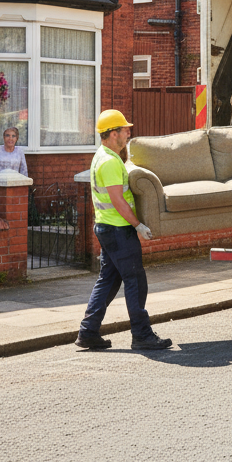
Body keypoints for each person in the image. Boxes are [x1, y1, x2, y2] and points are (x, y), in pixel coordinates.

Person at [76, 110, 172, 351]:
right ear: (112, 134)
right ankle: (141, 334)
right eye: (124, 130)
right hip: (118, 230)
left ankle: (88, 331)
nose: (129, 133)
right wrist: (137, 225)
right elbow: (118, 200)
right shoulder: (108, 161)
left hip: (108, 228)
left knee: (108, 280)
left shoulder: (104, 156)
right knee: (135, 281)